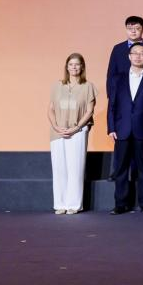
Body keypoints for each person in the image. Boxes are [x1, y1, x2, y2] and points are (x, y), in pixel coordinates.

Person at [107, 42, 143, 214]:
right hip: (121, 129)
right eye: (135, 53)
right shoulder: (118, 79)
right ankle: (121, 204)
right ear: (129, 56)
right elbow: (112, 105)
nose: (138, 56)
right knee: (121, 169)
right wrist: (111, 128)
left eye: (142, 53)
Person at [49, 53, 96, 214]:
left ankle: (73, 205)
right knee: (59, 168)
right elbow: (50, 109)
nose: (74, 67)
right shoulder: (57, 85)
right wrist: (56, 126)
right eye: (71, 64)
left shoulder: (88, 86)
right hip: (58, 132)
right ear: (66, 67)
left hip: (78, 131)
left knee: (75, 168)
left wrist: (76, 128)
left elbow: (89, 111)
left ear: (82, 67)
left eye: (77, 64)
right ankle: (60, 204)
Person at [106, 15, 143, 104]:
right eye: (130, 28)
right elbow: (111, 73)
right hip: (121, 94)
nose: (133, 31)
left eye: (137, 28)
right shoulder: (118, 49)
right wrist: (111, 95)